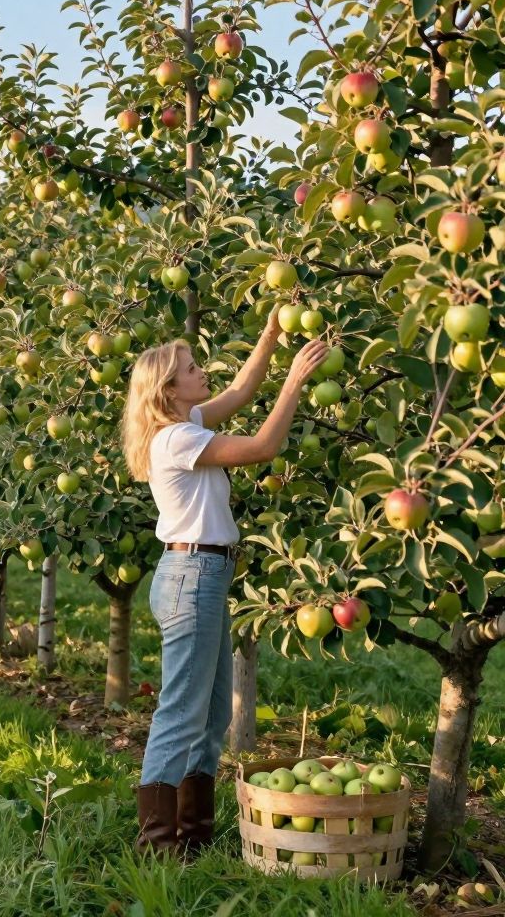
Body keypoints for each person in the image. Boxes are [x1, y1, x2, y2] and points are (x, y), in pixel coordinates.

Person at [121, 309, 330, 858]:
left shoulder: (185, 423)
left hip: (203, 574)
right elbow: (262, 448)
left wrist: (272, 333)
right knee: (181, 711)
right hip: (192, 576)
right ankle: (156, 846)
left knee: (212, 714)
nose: (203, 372)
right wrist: (295, 380)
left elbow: (239, 391)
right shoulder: (177, 439)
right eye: (192, 369)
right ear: (168, 390)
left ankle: (192, 836)